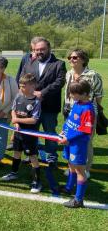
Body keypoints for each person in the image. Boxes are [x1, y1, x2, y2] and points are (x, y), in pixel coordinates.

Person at [20, 36, 66, 193]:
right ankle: (31, 154)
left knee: (49, 132)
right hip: (31, 106)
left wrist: (42, 93)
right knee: (31, 132)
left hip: (49, 107)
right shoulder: (30, 63)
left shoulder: (59, 64)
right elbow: (24, 80)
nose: (39, 52)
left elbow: (59, 82)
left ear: (49, 49)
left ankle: (51, 157)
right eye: (36, 50)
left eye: (42, 49)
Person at [64, 49, 103, 178]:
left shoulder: (93, 75)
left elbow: (98, 95)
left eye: (74, 57)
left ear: (83, 59)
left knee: (86, 141)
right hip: (70, 111)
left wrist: (93, 110)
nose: (71, 60)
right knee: (70, 139)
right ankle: (72, 168)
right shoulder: (69, 73)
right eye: (70, 57)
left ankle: (85, 169)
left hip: (86, 113)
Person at [1, 73, 42, 193]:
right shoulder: (18, 97)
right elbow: (13, 111)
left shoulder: (36, 102)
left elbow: (34, 120)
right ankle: (13, 173)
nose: (21, 88)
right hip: (18, 133)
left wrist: (17, 120)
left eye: (24, 86)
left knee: (32, 156)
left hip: (30, 135)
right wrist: (16, 123)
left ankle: (37, 181)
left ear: (32, 86)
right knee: (16, 152)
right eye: (20, 86)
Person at [59, 80, 94, 208]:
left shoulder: (87, 109)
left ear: (84, 93)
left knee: (80, 170)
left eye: (74, 93)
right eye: (71, 92)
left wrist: (69, 139)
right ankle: (69, 187)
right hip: (69, 141)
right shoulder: (77, 103)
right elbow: (70, 120)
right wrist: (64, 129)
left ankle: (78, 200)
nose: (71, 96)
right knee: (70, 165)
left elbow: (85, 131)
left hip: (77, 144)